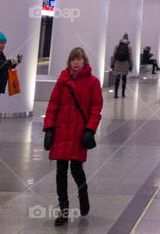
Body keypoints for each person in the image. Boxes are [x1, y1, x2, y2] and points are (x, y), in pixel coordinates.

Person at [44, 47, 102, 225]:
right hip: (62, 131)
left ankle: (83, 194)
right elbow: (53, 105)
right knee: (61, 170)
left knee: (76, 168)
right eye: (73, 59)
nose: (76, 62)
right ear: (69, 62)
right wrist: (48, 128)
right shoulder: (62, 81)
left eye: (79, 59)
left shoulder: (93, 82)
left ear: (85, 61)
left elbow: (96, 108)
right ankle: (63, 210)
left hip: (79, 133)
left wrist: (90, 130)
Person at [109, 34, 132, 98]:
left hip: (117, 63)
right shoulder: (128, 47)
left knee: (117, 78)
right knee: (124, 78)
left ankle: (116, 94)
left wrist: (112, 64)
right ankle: (123, 93)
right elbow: (130, 57)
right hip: (125, 63)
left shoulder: (117, 46)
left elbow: (114, 56)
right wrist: (131, 66)